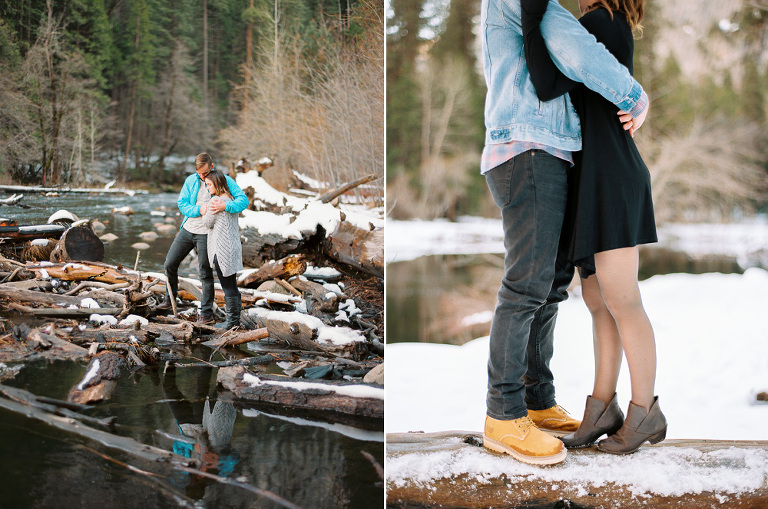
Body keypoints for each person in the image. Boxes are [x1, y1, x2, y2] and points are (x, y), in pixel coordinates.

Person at [479, 0, 651, 465]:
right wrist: (635, 97)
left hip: (551, 151)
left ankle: (536, 401)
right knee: (527, 286)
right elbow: (577, 52)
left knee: (550, 286)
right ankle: (504, 414)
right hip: (530, 147)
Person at [521, 0, 666, 455]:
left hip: (610, 178)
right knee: (599, 302)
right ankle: (603, 409)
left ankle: (646, 413)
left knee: (622, 300)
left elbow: (547, 82)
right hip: (593, 178)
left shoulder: (599, 22)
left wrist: (528, 19)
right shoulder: (607, 24)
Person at [158, 153, 248, 325]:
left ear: (211, 167)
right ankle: (170, 299)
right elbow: (182, 203)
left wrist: (225, 205)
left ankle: (206, 314)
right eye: (199, 173)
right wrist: (199, 210)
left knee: (205, 273)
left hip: (207, 233)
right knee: (169, 263)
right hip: (188, 228)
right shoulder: (191, 180)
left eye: (205, 173)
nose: (202, 177)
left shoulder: (224, 180)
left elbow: (243, 201)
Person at [202, 170, 244, 329]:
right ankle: (235, 321)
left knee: (227, 287)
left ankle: (232, 322)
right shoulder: (230, 200)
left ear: (218, 184)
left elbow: (208, 223)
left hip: (221, 250)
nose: (207, 188)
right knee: (232, 285)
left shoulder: (215, 201)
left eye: (209, 185)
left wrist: (205, 209)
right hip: (232, 247)